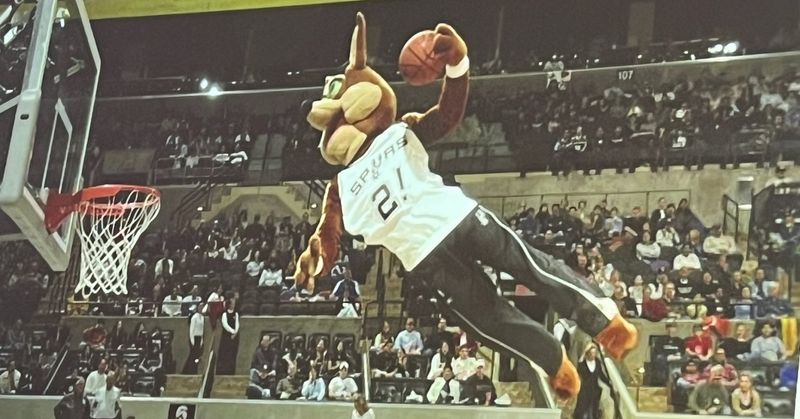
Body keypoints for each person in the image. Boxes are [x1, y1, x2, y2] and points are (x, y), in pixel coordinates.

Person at [292, 15, 636, 401]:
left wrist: (457, 66)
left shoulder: (398, 131)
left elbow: (447, 116)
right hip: (425, 258)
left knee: (531, 265)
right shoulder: (339, 186)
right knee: (485, 320)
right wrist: (317, 260)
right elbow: (328, 235)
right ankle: (553, 359)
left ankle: (603, 321)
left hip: (457, 217)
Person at [574, 343, 612, 419]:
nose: (593, 355)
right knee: (582, 410)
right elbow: (579, 370)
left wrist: (609, 383)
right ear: (587, 353)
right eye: (591, 353)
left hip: (594, 390)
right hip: (584, 390)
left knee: (594, 410)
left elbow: (601, 375)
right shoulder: (583, 364)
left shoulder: (597, 363)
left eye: (594, 353)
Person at [216, 299, 240, 374]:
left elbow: (237, 324)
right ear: (229, 305)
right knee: (225, 353)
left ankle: (231, 371)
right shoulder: (224, 314)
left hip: (234, 337)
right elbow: (225, 325)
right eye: (232, 303)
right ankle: (222, 371)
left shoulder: (236, 314)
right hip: (226, 337)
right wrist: (232, 332)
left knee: (232, 353)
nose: (234, 305)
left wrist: (235, 332)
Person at [183, 302, 205, 374]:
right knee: (192, 355)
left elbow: (202, 329)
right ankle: (188, 370)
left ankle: (194, 370)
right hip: (194, 338)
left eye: (202, 307)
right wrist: (192, 341)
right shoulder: (194, 317)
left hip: (199, 338)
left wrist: (201, 341)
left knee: (197, 356)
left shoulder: (202, 318)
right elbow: (191, 330)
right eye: (200, 307)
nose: (201, 308)